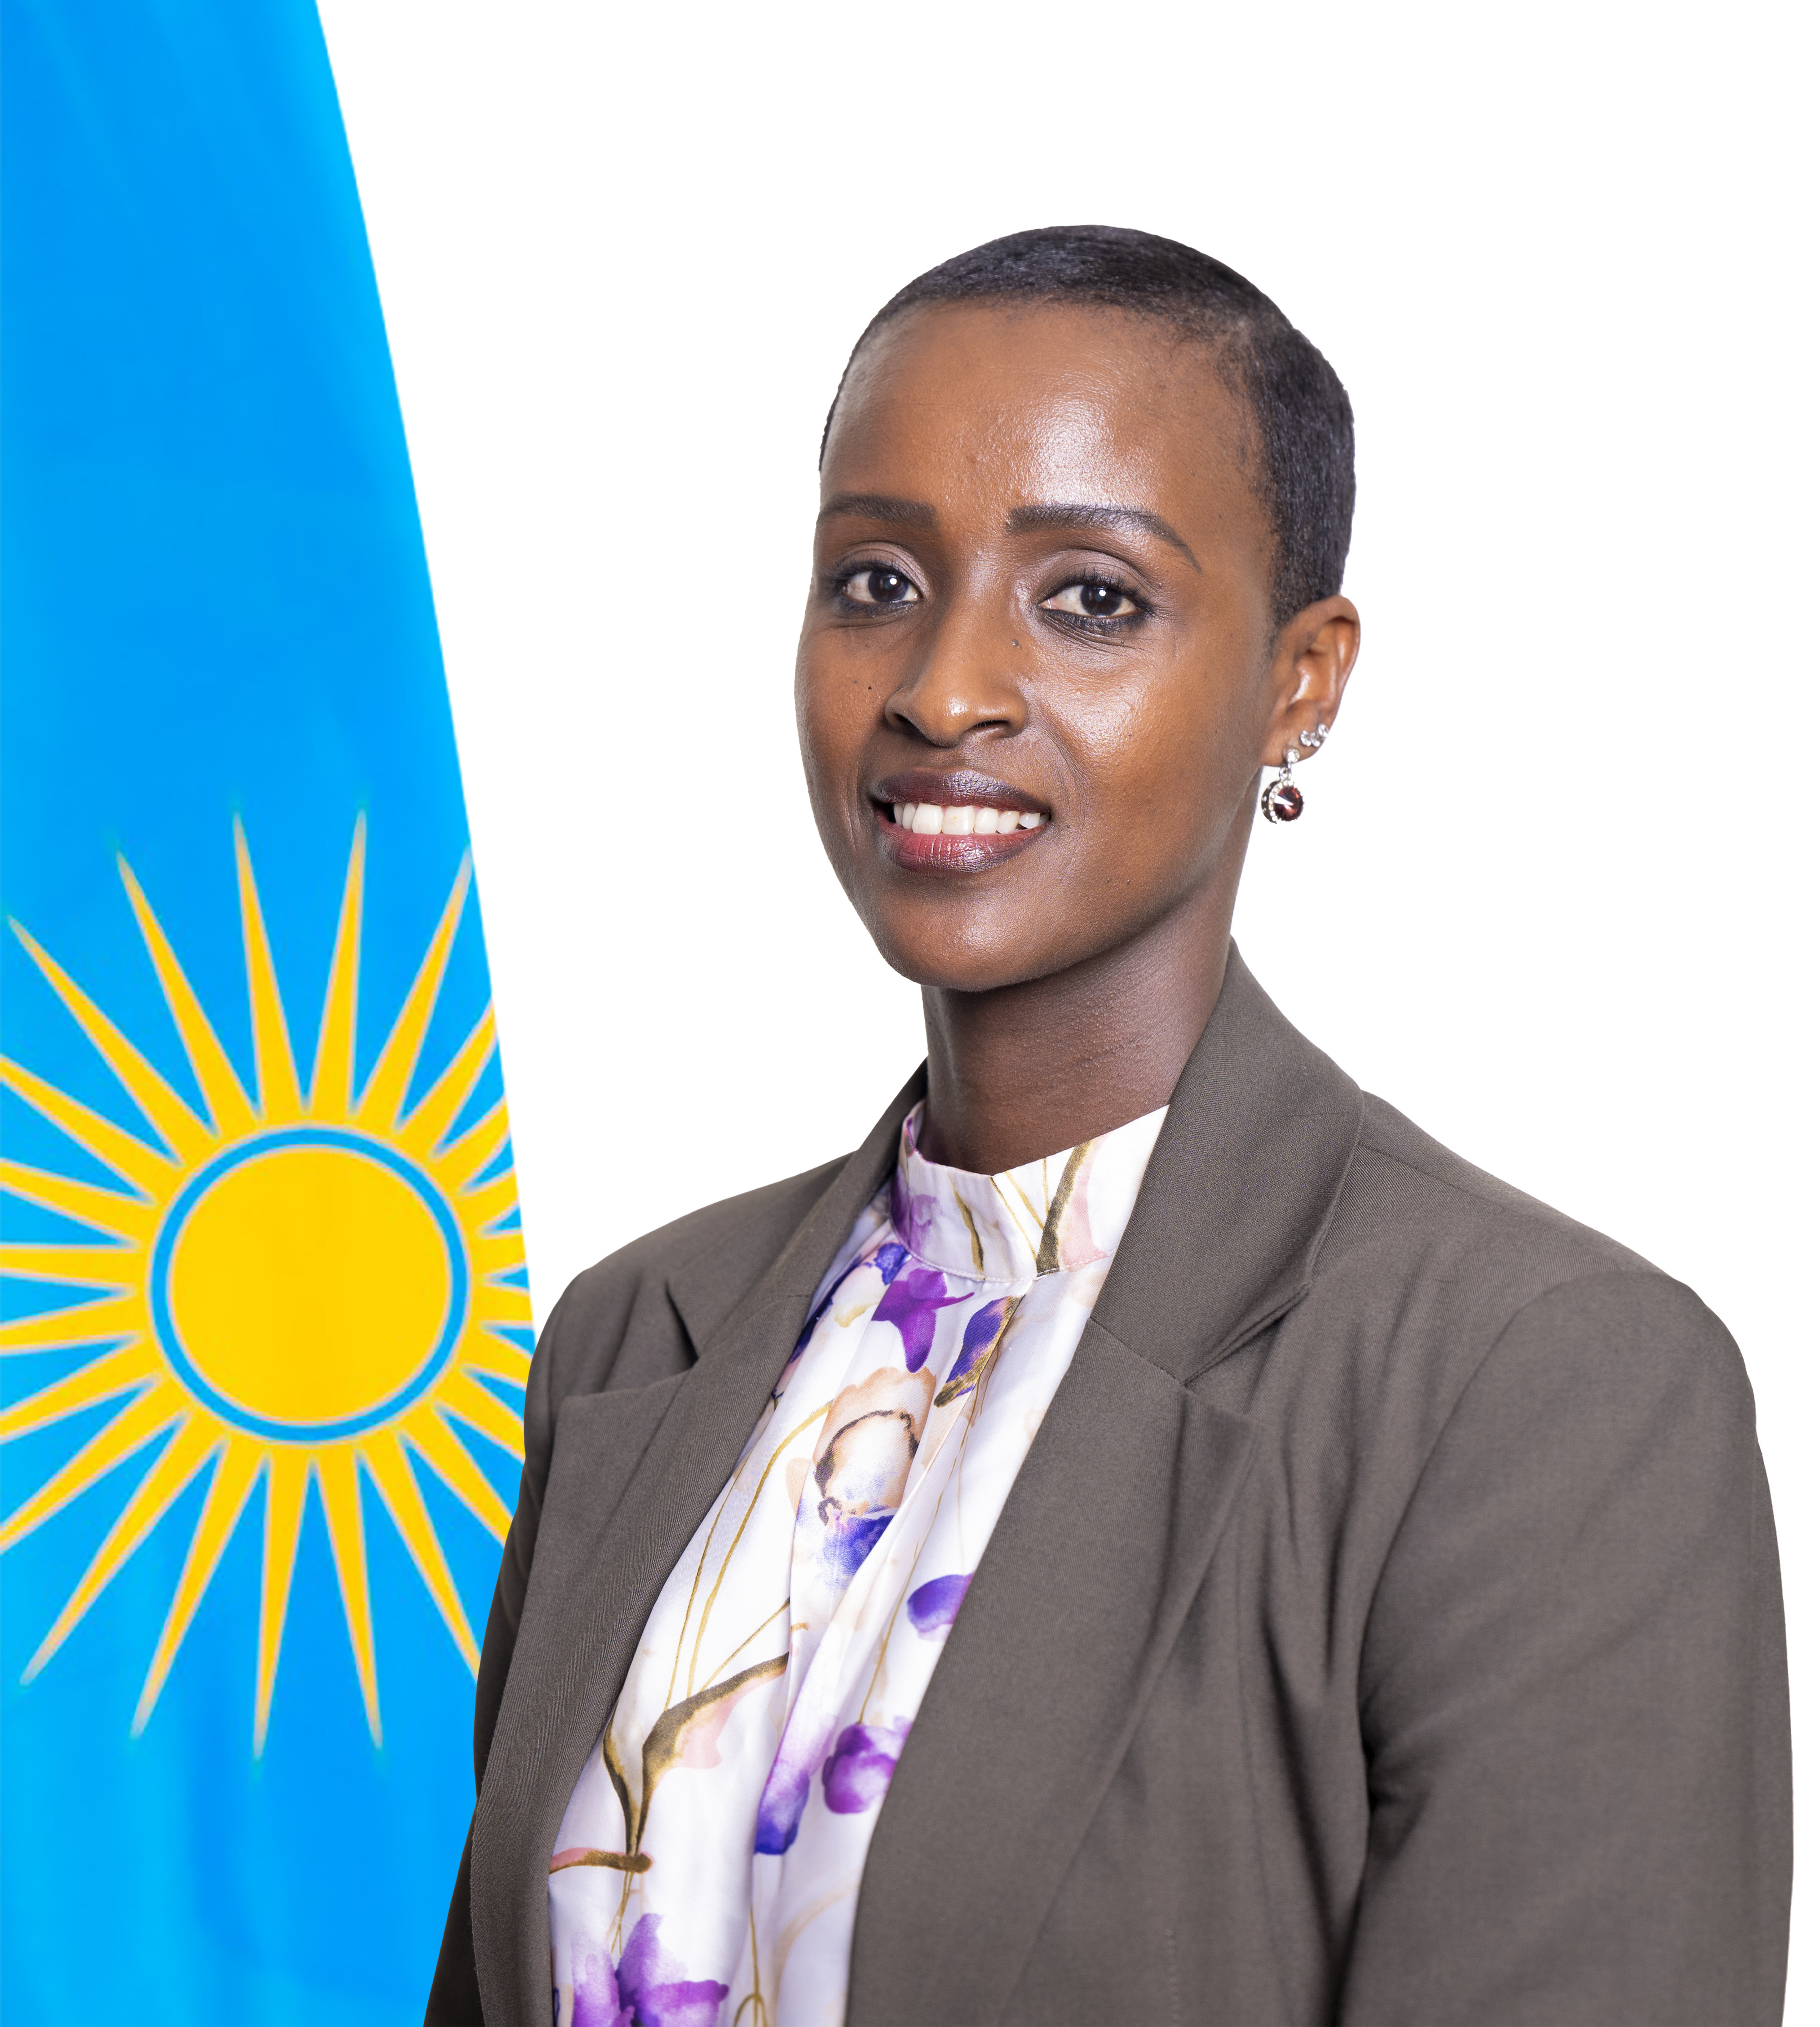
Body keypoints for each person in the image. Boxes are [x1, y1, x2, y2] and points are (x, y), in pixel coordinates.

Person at [427, 227, 1790, 2027]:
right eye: (875, 580)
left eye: (1089, 599)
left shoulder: (1536, 1389)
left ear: (1302, 680)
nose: (942, 688)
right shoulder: (636, 1335)